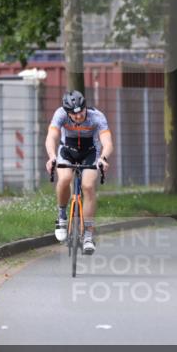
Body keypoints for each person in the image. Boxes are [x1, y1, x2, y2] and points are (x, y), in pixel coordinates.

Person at [44, 90, 113, 255]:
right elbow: (51, 137)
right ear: (67, 112)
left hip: (90, 152)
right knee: (65, 178)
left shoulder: (97, 117)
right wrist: (52, 157)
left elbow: (107, 142)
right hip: (67, 150)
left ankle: (88, 234)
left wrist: (103, 158)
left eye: (81, 112)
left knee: (88, 186)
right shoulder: (60, 114)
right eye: (73, 114)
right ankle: (62, 216)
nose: (78, 116)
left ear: (85, 107)